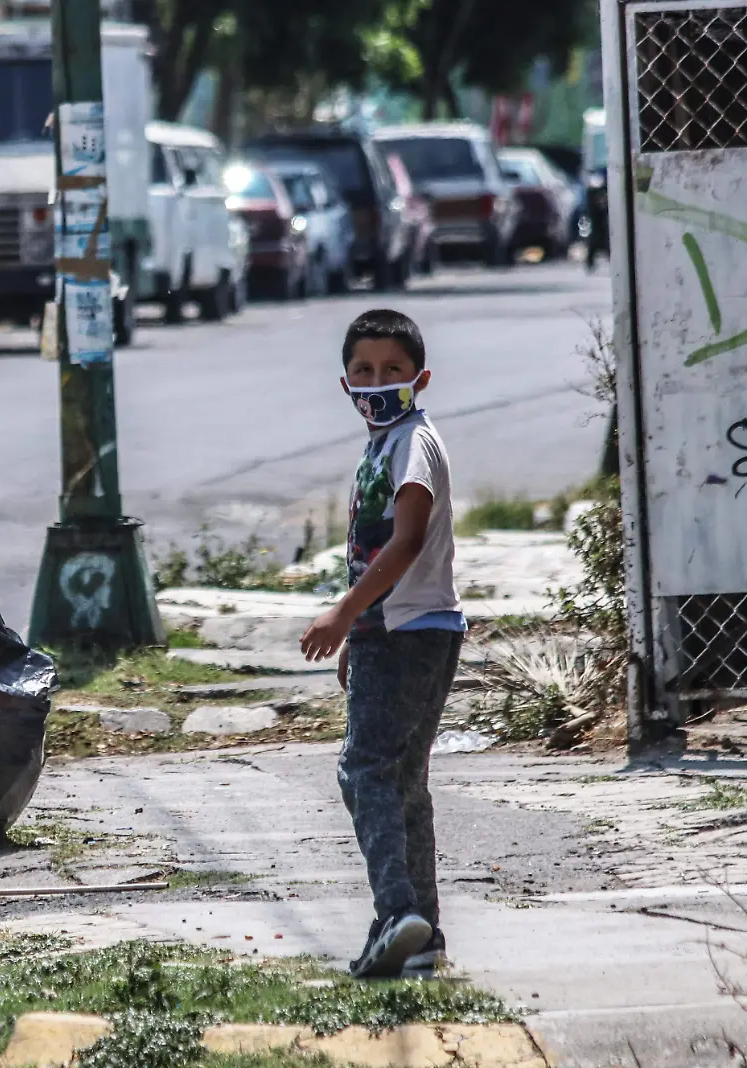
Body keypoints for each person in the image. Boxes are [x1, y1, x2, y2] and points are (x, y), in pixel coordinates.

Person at [298, 308, 464, 980]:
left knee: (363, 771)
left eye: (392, 370)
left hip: (408, 632)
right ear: (345, 383)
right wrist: (357, 634)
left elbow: (406, 540)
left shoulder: (411, 442)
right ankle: (421, 934)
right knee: (402, 783)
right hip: (403, 632)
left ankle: (396, 913)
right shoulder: (384, 443)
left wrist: (343, 615)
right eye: (363, 370)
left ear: (420, 377)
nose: (377, 381)